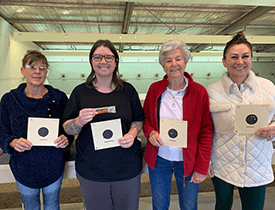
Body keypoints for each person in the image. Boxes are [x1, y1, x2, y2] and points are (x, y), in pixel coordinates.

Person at [62, 39, 144, 210]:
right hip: (92, 170)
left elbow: (138, 119)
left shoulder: (128, 91)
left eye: (108, 57)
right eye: (98, 57)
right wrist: (78, 121)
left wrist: (132, 134)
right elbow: (67, 127)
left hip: (126, 168)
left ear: (116, 62)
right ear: (91, 61)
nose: (103, 61)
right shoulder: (79, 93)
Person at [207, 32, 275, 210]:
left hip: (256, 163)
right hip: (222, 162)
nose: (240, 61)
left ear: (251, 58)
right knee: (222, 206)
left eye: (245, 56)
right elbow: (204, 129)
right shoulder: (212, 91)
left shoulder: (267, 87)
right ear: (224, 61)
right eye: (234, 57)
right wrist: (206, 161)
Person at [143, 40, 213, 210]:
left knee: (189, 206)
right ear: (163, 66)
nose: (174, 64)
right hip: (160, 159)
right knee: (159, 205)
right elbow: (145, 119)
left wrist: (202, 167)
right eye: (168, 60)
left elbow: (206, 131)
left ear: (186, 61)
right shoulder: (154, 89)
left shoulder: (199, 92)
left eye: (178, 59)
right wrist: (151, 132)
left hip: (188, 160)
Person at [0, 50, 73, 210]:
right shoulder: (9, 100)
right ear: (22, 70)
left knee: (52, 205)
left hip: (53, 165)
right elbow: (2, 132)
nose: (37, 72)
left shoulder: (59, 98)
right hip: (24, 167)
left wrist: (66, 139)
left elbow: (68, 128)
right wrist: (12, 142)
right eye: (32, 66)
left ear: (46, 72)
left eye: (42, 68)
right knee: (30, 205)